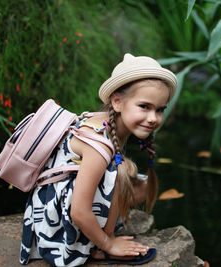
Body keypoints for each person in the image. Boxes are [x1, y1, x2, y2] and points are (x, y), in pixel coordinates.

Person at [19, 53, 177, 266]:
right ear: (117, 102)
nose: (153, 118)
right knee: (119, 174)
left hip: (68, 196)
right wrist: (108, 243)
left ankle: (101, 230)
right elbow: (79, 210)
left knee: (141, 184)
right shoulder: (99, 145)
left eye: (159, 110)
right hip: (55, 216)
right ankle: (100, 246)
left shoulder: (112, 126)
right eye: (144, 107)